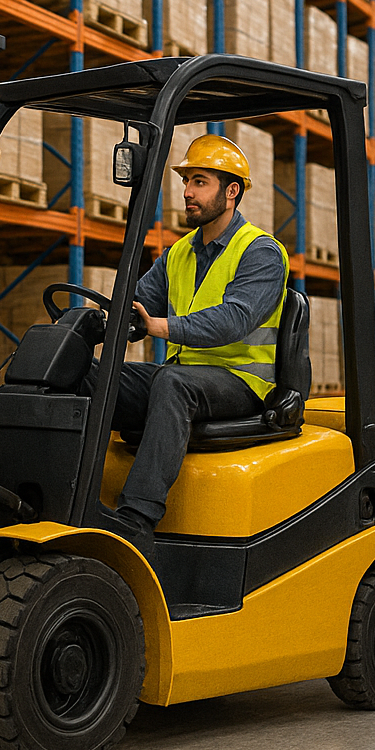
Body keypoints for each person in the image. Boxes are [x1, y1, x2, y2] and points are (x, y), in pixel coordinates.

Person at [95, 133, 289, 562]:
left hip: (242, 383)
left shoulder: (260, 252)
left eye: (200, 182)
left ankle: (136, 520)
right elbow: (140, 303)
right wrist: (97, 322)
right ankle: (73, 495)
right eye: (186, 182)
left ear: (231, 191)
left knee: (172, 383)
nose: (187, 192)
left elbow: (235, 319)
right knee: (96, 374)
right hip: (184, 375)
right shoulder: (179, 253)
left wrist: (160, 327)